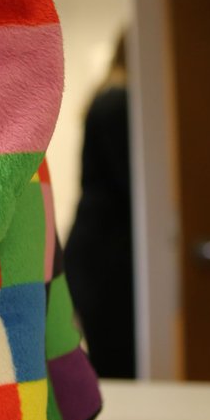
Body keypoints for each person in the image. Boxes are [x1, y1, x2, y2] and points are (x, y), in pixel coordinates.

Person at [65, 32, 136, 378]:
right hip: (105, 257)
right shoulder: (118, 103)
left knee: (113, 359)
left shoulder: (109, 97)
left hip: (97, 253)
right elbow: (131, 183)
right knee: (118, 361)